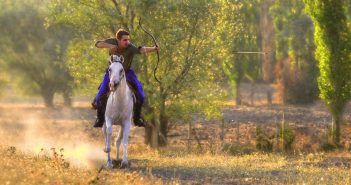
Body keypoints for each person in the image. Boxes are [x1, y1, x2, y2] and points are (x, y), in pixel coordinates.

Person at [92, 29, 160, 128]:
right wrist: (110, 46)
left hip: (127, 72)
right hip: (112, 72)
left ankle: (137, 118)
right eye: (124, 40)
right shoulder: (112, 42)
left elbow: (140, 50)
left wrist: (154, 49)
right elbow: (97, 44)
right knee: (100, 94)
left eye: (128, 39)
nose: (127, 42)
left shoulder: (130, 47)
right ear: (118, 40)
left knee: (140, 94)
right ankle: (100, 118)